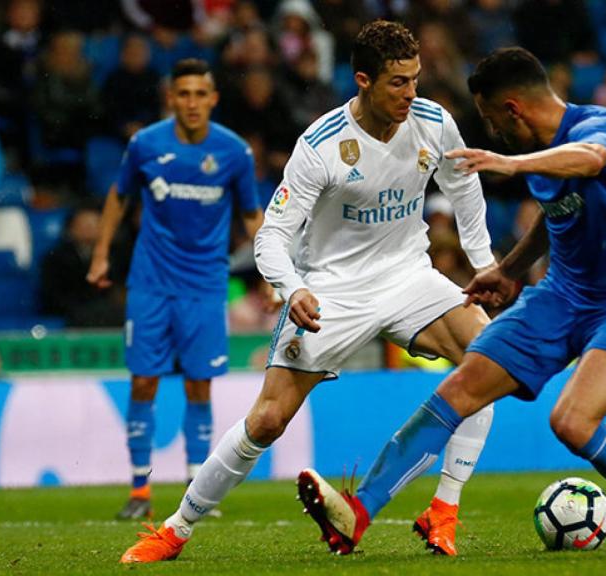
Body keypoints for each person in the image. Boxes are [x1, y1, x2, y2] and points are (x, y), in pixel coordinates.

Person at [298, 47, 606, 555]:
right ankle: (358, 514)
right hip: (561, 296)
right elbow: (556, 213)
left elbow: (591, 161)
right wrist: (508, 270)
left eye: (493, 120)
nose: (493, 132)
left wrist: (510, 163)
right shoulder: (541, 157)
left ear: (513, 109)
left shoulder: (599, 128)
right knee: (459, 388)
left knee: (571, 421)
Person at [118, 21, 497, 563]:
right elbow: (271, 236)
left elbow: (464, 187)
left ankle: (444, 510)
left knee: (489, 361)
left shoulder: (433, 123)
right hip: (332, 290)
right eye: (398, 82)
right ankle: (175, 530)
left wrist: (484, 266)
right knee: (268, 419)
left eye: (415, 79)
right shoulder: (321, 145)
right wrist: (292, 287)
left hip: (408, 275)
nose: (411, 93)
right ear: (363, 81)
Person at [86, 59, 263, 521]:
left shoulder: (234, 152)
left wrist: (272, 272)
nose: (192, 103)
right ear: (170, 98)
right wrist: (101, 253)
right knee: (143, 381)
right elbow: (119, 196)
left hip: (205, 286)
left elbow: (251, 214)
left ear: (213, 99)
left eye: (200, 94)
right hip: (151, 283)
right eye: (183, 94)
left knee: (198, 385)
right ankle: (139, 489)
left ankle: (195, 488)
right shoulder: (146, 144)